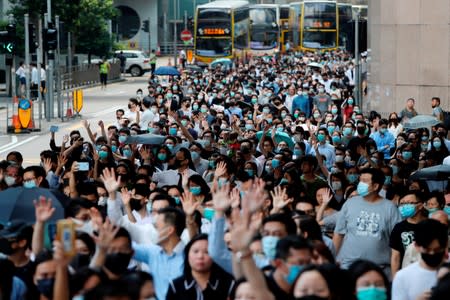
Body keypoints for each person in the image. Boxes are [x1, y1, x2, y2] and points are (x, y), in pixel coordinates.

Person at [333, 168, 402, 273]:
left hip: (379, 269)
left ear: (375, 186)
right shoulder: (350, 203)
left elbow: (396, 243)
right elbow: (338, 234)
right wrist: (332, 259)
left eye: (364, 181)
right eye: (360, 180)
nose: (360, 184)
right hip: (349, 267)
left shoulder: (390, 208)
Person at [392, 219, 448, 300]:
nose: (432, 253)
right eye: (427, 249)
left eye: (437, 249)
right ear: (416, 246)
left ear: (445, 245)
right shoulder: (402, 277)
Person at [166, 234, 235, 300]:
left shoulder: (228, 285)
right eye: (196, 251)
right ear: (187, 255)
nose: (200, 256)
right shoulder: (175, 287)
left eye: (207, 252)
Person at [389, 191, 427, 278]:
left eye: (409, 203)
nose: (405, 206)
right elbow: (395, 257)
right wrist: (395, 279)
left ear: (420, 205)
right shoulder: (399, 228)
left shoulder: (432, 225)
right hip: (407, 275)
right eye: (402, 203)